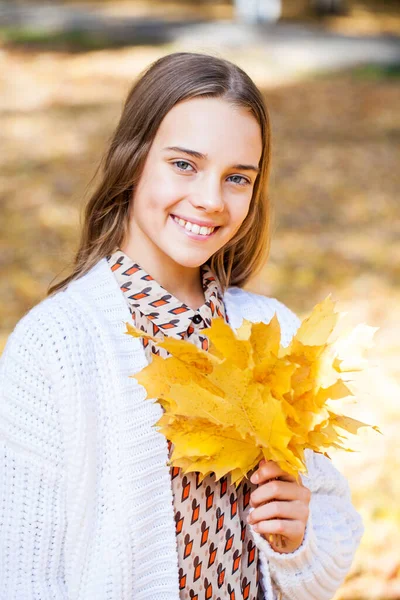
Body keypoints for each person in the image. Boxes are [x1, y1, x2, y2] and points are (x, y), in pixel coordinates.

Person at [0, 52, 363, 600]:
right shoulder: (57, 345)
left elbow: (331, 539)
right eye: (184, 165)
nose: (211, 200)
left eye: (237, 177)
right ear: (133, 157)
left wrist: (300, 541)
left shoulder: (273, 331)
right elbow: (23, 576)